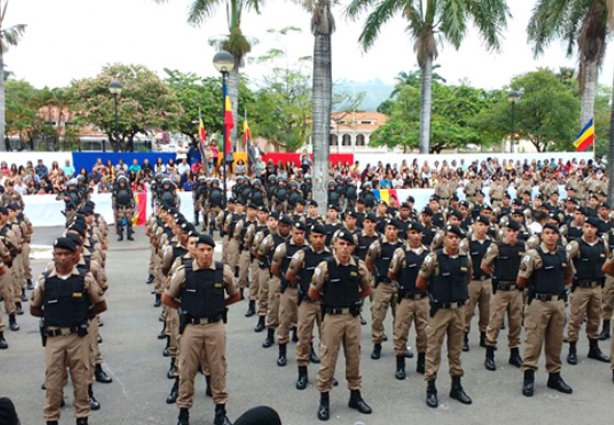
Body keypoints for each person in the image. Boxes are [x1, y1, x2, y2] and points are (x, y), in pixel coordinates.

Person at [162, 234, 239, 425]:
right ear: (195, 250)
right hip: (192, 327)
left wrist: (220, 305)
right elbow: (167, 298)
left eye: (209, 250)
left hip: (215, 326)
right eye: (202, 249)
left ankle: (220, 412)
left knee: (218, 368)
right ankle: (183, 414)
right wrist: (185, 307)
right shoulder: (184, 273)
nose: (205, 254)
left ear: (213, 251)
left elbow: (235, 295)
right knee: (186, 369)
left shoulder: (223, 271)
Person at [30, 237, 107, 425]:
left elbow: (100, 304)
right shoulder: (45, 281)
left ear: (74, 256)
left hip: (77, 337)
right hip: (54, 337)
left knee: (81, 380)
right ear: (54, 256)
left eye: (66, 254)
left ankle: (82, 417)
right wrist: (54, 317)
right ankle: (51, 418)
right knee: (53, 383)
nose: (62, 258)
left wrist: (82, 316)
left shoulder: (84, 279)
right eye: (58, 254)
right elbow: (34, 308)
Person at [309, 231, 372, 421]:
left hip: (352, 318)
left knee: (354, 357)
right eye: (342, 243)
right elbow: (313, 292)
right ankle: (324, 399)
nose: (345, 248)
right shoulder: (325, 267)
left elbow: (367, 289)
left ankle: (355, 395)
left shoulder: (358, 266)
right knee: (328, 358)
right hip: (332, 318)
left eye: (349, 244)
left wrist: (352, 301)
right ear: (335, 244)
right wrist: (329, 301)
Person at [416, 225, 472, 408]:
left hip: (458, 309)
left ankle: (456, 386)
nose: (454, 240)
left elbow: (468, 279)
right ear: (445, 238)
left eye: (457, 237)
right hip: (439, 310)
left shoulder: (465, 257)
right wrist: (436, 294)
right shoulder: (434, 258)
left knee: (456, 350)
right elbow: (421, 281)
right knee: (433, 349)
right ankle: (431, 388)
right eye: (451, 237)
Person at [516, 223, 574, 397]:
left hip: (557, 302)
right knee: (533, 340)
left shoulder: (564, 254)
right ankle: (528, 376)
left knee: (555, 342)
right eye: (547, 233)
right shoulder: (533, 255)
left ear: (558, 236)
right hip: (538, 304)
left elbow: (569, 275)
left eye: (554, 233)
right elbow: (521, 280)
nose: (550, 236)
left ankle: (554, 376)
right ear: (542, 236)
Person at [480, 220, 525, 371]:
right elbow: (484, 265)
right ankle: (489, 354)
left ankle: (514, 353)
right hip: (500, 290)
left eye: (515, 231)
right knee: (495, 322)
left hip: (516, 290)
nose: (512, 234)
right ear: (504, 231)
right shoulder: (496, 247)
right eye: (509, 231)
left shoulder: (522, 246)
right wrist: (494, 276)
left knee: (516, 322)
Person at [565, 216, 610, 365]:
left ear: (597, 229)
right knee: (576, 319)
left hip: (596, 287)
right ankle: (572, 349)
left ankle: (593, 348)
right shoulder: (576, 244)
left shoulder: (602, 244)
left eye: (592, 227)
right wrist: (571, 275)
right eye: (586, 226)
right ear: (583, 227)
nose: (589, 229)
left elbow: (607, 262)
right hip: (581, 288)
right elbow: (564, 260)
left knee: (595, 318)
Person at [388, 221, 429, 380]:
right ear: (407, 234)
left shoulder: (428, 253)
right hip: (405, 298)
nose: (416, 236)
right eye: (412, 232)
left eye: (418, 232)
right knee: (401, 331)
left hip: (423, 298)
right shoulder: (400, 252)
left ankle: (421, 362)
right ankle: (400, 365)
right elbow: (392, 274)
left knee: (424, 332)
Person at [112, 175, 135, 241]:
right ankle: (120, 236)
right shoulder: (116, 190)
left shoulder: (129, 190)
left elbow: (132, 199)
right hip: (120, 208)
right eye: (121, 182)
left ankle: (129, 235)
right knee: (119, 222)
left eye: (123, 182)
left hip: (128, 207)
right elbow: (114, 199)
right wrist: (114, 207)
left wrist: (132, 207)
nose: (122, 184)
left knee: (129, 222)